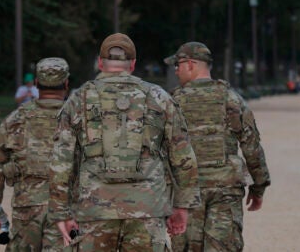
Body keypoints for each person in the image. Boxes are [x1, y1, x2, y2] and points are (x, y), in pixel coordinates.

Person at [49, 33, 200, 249]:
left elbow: (61, 160)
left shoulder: (79, 98)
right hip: (148, 208)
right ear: (133, 64)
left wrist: (60, 211)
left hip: (95, 209)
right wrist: (182, 206)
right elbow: (183, 155)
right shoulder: (159, 96)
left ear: (101, 63)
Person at [165, 42, 271, 252]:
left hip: (186, 192)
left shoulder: (172, 102)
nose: (176, 70)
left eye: (177, 65)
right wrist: (259, 186)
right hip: (225, 189)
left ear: (190, 64)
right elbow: (251, 146)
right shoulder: (231, 99)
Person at [0, 57, 71, 251]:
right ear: (66, 83)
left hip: (27, 207)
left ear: (37, 83)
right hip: (68, 210)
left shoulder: (16, 119)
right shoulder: (79, 118)